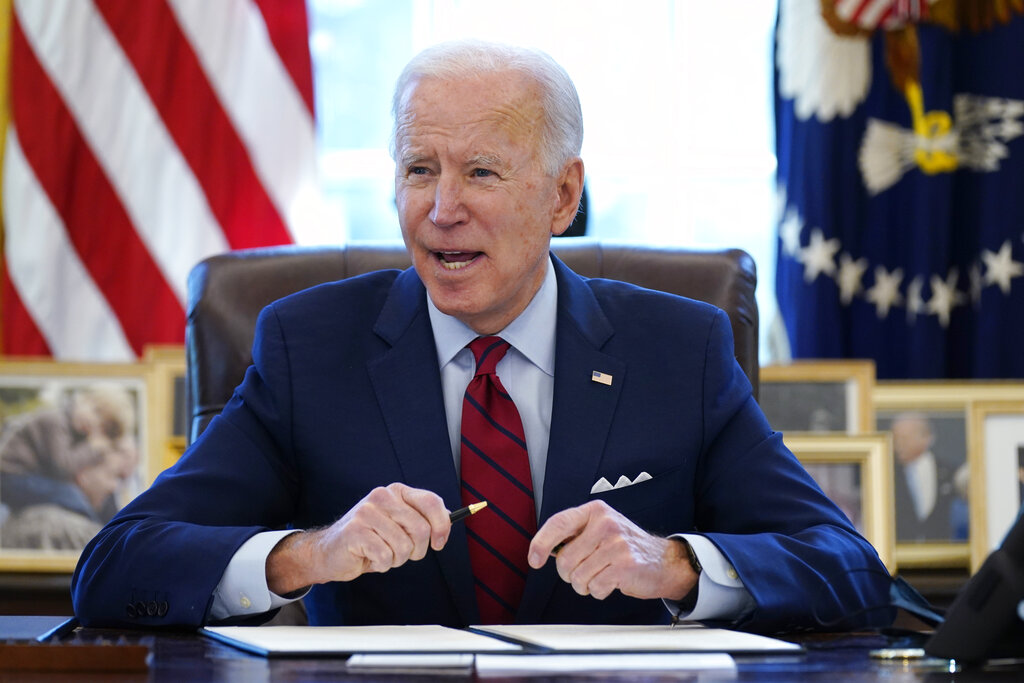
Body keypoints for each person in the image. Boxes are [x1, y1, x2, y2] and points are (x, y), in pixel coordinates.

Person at [72, 40, 892, 633]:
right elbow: (117, 567)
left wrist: (676, 563)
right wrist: (305, 555)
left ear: (563, 196)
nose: (441, 210)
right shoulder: (307, 347)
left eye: (482, 172)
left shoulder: (678, 349)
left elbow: (850, 568)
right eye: (419, 169)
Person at [0, 385, 139, 550]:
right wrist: (94, 447)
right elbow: (63, 465)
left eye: (103, 427)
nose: (94, 423)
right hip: (11, 475)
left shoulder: (69, 429)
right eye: (113, 476)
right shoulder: (55, 422)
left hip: (20, 478)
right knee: (70, 495)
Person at [890, 412, 958, 542]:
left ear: (927, 438)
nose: (898, 445)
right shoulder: (887, 474)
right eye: (895, 440)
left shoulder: (949, 472)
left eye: (904, 439)